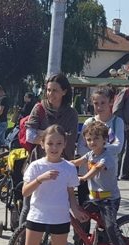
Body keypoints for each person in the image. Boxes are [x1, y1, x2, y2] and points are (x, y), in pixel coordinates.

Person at [9, 125, 86, 245]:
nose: (54, 147)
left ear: (65, 144)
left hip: (60, 217)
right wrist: (40, 179)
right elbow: (25, 192)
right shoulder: (36, 166)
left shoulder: (68, 167)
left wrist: (75, 209)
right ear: (42, 144)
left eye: (58, 143)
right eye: (50, 143)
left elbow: (70, 193)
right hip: (38, 215)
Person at [21, 73, 79, 227]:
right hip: (39, 161)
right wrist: (54, 136)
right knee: (28, 205)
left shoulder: (71, 113)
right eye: (48, 90)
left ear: (64, 91)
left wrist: (43, 135)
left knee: (57, 203)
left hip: (61, 164)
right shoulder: (39, 108)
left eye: (55, 90)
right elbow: (30, 136)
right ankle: (22, 237)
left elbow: (70, 140)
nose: (50, 94)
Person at [71, 121, 129, 245]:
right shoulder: (90, 154)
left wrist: (83, 178)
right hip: (94, 198)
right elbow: (77, 162)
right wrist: (60, 164)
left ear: (105, 140)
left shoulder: (107, 157)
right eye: (89, 139)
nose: (92, 142)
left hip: (109, 200)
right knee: (80, 216)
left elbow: (97, 169)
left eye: (96, 138)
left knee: (110, 227)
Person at [76, 85, 125, 244]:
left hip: (105, 175)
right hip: (86, 173)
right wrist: (95, 151)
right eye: (96, 103)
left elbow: (118, 146)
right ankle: (81, 244)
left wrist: (99, 150)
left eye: (103, 103)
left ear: (111, 102)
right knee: (83, 213)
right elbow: (82, 146)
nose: (99, 107)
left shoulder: (117, 122)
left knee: (105, 220)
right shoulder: (89, 122)